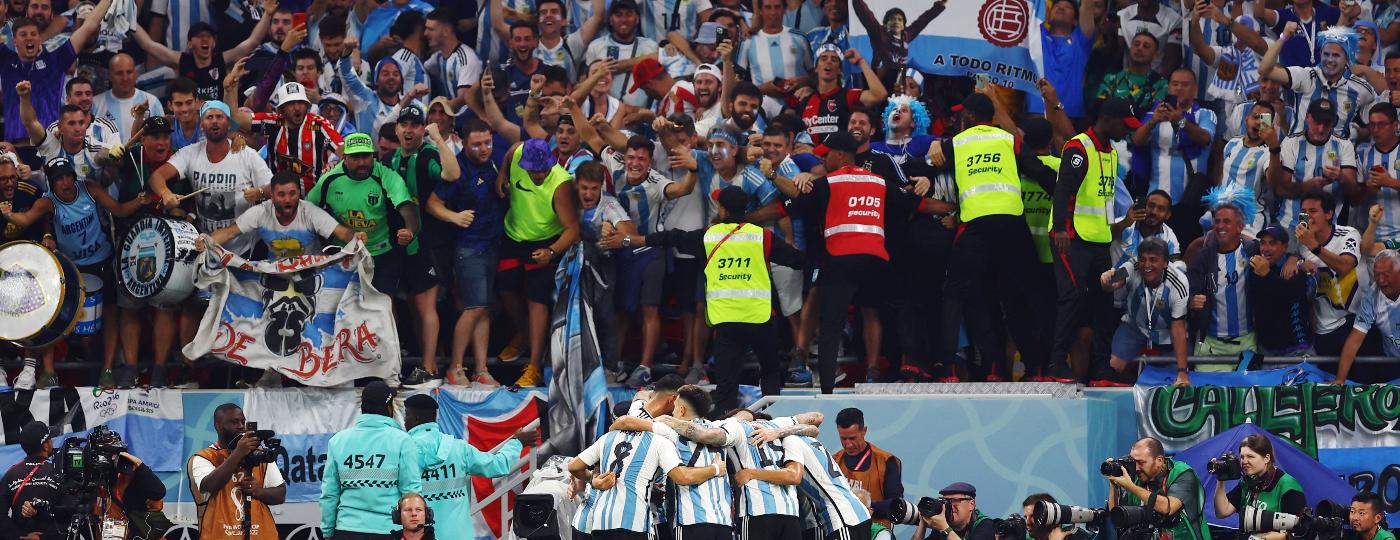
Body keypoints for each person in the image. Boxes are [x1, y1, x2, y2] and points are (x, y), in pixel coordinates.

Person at [602, 186, 804, 412]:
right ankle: (772, 422)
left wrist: (632, 240)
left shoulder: (709, 237)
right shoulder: (762, 236)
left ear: (722, 209)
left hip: (726, 321)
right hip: (760, 318)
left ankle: (726, 432)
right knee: (770, 371)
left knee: (727, 385)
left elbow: (672, 237)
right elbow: (796, 260)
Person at [760, 131, 933, 393]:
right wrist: (952, 208)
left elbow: (791, 204)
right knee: (878, 311)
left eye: (826, 155)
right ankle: (885, 370)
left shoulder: (828, 182)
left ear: (840, 155)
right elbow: (917, 204)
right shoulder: (878, 181)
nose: (823, 160)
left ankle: (827, 388)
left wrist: (772, 179)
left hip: (838, 260)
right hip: (876, 261)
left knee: (831, 324)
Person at [1, 157, 147, 389]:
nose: (66, 182)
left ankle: (107, 371)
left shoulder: (90, 189)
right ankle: (49, 372)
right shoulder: (48, 202)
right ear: (51, 182)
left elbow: (119, 210)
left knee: (110, 315)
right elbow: (26, 219)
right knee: (52, 314)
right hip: (70, 267)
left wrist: (139, 202)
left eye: (69, 175)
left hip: (102, 261)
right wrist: (8, 214)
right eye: (59, 179)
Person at [1048, 97, 1143, 386]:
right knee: (1072, 297)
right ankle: (1055, 362)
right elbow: (1063, 190)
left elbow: (1100, 202)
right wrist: (1062, 229)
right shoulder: (1079, 147)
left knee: (1103, 305)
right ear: (1107, 119)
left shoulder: (1112, 153)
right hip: (1071, 238)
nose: (1126, 131)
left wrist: (1122, 223)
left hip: (1099, 240)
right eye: (1123, 125)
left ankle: (1102, 369)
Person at [426, 120, 507, 386]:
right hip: (469, 247)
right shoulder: (458, 168)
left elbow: (515, 143)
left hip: (492, 244)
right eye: (477, 144)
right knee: (473, 308)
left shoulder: (494, 162)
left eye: (488, 143)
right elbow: (432, 203)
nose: (484, 149)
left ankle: (481, 369)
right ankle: (455, 367)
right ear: (463, 142)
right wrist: (454, 216)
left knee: (483, 309)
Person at [386, 105, 462, 387]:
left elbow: (452, 175)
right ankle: (419, 361)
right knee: (413, 306)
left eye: (415, 125)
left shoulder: (428, 154)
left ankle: (430, 367)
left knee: (425, 304)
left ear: (423, 129)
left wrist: (438, 138)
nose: (408, 129)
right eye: (403, 124)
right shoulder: (391, 158)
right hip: (400, 243)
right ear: (396, 129)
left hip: (428, 242)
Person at [496, 138, 581, 387]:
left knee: (537, 300)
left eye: (543, 169)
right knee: (505, 288)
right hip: (513, 235)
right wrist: (502, 174)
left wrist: (551, 252)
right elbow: (513, 147)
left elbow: (573, 229)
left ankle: (534, 365)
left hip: (545, 242)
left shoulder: (561, 183)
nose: (538, 174)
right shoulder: (518, 154)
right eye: (534, 170)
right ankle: (524, 333)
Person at [605, 385, 736, 540]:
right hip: (723, 523)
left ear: (681, 410)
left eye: (674, 408)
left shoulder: (670, 431)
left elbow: (626, 422)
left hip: (690, 521)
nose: (671, 412)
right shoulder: (721, 430)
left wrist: (610, 436)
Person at [567, 416, 728, 539]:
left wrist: (592, 480)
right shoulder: (661, 441)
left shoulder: (607, 438)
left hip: (600, 522)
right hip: (635, 522)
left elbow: (574, 466)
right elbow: (682, 477)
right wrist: (715, 469)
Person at [151, 100, 274, 259]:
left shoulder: (247, 155)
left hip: (244, 250)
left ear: (229, 124)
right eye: (209, 117)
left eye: (220, 117)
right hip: (206, 248)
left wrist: (260, 192)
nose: (214, 121)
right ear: (201, 125)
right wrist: (165, 193)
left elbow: (274, 188)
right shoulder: (189, 153)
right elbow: (156, 177)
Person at [403, 394, 537, 536]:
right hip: (459, 534)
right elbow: (498, 465)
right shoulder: (459, 448)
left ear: (416, 418)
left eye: (407, 415)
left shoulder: (403, 450)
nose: (405, 421)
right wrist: (516, 442)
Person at [307, 132, 420, 297]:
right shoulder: (329, 180)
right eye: (355, 157)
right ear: (344, 157)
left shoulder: (387, 177)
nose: (362, 163)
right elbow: (308, 210)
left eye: (366, 156)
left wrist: (409, 231)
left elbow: (408, 212)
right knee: (340, 305)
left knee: (383, 305)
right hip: (343, 253)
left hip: (381, 253)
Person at [321, 381, 424, 540]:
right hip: (388, 530)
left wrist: (328, 531)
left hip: (346, 529)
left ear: (362, 408)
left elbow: (329, 494)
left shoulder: (338, 441)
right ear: (389, 407)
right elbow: (411, 492)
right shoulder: (402, 441)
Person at [1132, 69, 1217, 243]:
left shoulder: (1205, 114)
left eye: (1185, 85)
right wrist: (1153, 121)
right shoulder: (1154, 113)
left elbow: (1205, 138)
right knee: (1150, 245)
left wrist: (1180, 121)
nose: (1179, 88)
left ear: (1195, 89)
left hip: (1189, 200)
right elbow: (1137, 140)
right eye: (1174, 84)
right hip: (1156, 196)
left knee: (1183, 246)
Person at [1259, 22, 1376, 141]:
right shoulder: (1305, 76)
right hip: (1295, 156)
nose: (1330, 60)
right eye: (1326, 54)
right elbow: (1264, 70)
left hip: (1334, 157)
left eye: (1336, 55)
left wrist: (1355, 133)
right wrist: (1283, 37)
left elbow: (1383, 106)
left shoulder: (1361, 89)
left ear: (1346, 59)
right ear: (1320, 55)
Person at [187, 404, 287, 539]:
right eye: (234, 422)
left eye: (243, 421)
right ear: (218, 425)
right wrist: (238, 453)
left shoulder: (259, 455)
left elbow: (280, 495)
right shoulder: (203, 458)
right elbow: (209, 485)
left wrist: (258, 491)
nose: (241, 426)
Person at [1101, 238, 1192, 387]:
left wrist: (1182, 373)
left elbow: (1178, 327)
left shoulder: (1179, 283)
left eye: (1153, 260)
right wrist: (1106, 280)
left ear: (1165, 262)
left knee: (1173, 380)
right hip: (1135, 327)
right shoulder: (1132, 266)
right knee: (1113, 365)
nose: (1147, 265)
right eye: (1143, 259)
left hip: (1169, 332)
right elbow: (1114, 282)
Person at [237, 81, 345, 193]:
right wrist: (230, 89)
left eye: (300, 102)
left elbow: (346, 153)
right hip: (278, 198)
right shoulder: (272, 123)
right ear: (282, 108)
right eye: (291, 103)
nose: (297, 108)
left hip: (314, 201)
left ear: (307, 105)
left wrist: (334, 167)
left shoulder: (319, 125)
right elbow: (235, 119)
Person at [1270, 99, 1360, 232]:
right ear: (1307, 116)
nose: (1321, 129)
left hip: (1329, 229)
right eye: (1317, 122)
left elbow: (1354, 195)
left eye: (1327, 123)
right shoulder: (1291, 143)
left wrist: (1341, 177)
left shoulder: (1344, 145)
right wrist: (1306, 186)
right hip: (1291, 224)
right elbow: (1281, 189)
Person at [1187, 202, 1260, 363]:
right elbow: (1189, 292)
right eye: (1217, 221)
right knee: (1207, 389)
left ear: (1240, 226)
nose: (1220, 226)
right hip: (1210, 343)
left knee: (1245, 389)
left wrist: (1293, 259)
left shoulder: (1253, 251)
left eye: (1226, 221)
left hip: (1246, 341)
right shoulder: (1202, 257)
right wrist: (1191, 301)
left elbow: (1279, 255)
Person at [1296, 189, 1366, 356]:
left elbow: (1345, 266)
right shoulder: (1302, 245)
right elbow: (1299, 264)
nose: (1308, 217)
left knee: (1362, 379)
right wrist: (1298, 263)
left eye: (1313, 211)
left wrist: (1314, 246)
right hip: (1324, 330)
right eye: (1304, 212)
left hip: (1355, 322)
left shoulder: (1348, 234)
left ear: (1328, 214)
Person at [1105, 437, 1210, 540]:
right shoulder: (1138, 479)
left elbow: (1167, 507)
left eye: (1141, 463)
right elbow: (1117, 516)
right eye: (1134, 462)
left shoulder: (1183, 473)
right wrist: (1113, 484)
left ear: (1159, 461)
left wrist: (1131, 486)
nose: (1136, 468)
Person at [1212, 434, 1305, 535]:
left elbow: (1300, 531)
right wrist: (1220, 479)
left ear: (1266, 458)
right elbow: (1222, 512)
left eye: (1250, 456)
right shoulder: (1248, 482)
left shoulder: (1287, 485)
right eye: (1242, 457)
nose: (1244, 461)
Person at [1331, 249, 1400, 384]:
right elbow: (1354, 340)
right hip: (1393, 362)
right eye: (1377, 275)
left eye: (1386, 275)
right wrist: (1340, 379)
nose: (1381, 280)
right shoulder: (1372, 296)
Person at [832, 408, 903, 529]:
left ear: (864, 431)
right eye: (843, 439)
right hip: (843, 531)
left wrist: (866, 508)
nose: (848, 444)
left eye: (852, 438)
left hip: (877, 530)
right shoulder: (833, 461)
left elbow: (897, 504)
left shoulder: (886, 461)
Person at [1250, 224, 1315, 356]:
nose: (1266, 249)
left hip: (1297, 350)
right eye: (1262, 243)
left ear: (1285, 246)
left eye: (1272, 243)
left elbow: (1291, 295)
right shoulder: (1255, 267)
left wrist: (1267, 274)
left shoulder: (1296, 267)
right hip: (1266, 351)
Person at [1219, 101, 1280, 236]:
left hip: (1250, 223)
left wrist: (1274, 148)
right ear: (1247, 119)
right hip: (1222, 216)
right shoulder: (1232, 143)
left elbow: (1274, 181)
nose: (1258, 122)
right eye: (1255, 117)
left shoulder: (1269, 153)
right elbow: (1223, 176)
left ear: (1270, 126)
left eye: (1264, 119)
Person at [1, 422, 61, 539]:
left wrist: (20, 536)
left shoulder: (11, 474)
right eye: (50, 439)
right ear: (46, 446)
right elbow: (70, 513)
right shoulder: (57, 472)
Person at [1112, 191, 1181, 268]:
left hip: (1145, 279)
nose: (1154, 212)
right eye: (1151, 206)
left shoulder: (1169, 237)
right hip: (1113, 277)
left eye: (1161, 209)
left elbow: (1176, 265)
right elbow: (1107, 236)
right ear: (1144, 205)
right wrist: (1124, 223)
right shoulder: (1125, 223)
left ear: (1168, 215)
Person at [914, 483, 993, 540]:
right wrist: (922, 524)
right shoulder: (944, 525)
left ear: (971, 505)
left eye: (955, 500)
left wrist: (945, 528)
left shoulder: (987, 526)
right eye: (946, 501)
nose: (949, 506)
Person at [1023, 493, 1093, 540]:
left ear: (1051, 515)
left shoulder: (1074, 536)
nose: (1027, 522)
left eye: (1033, 516)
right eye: (1026, 517)